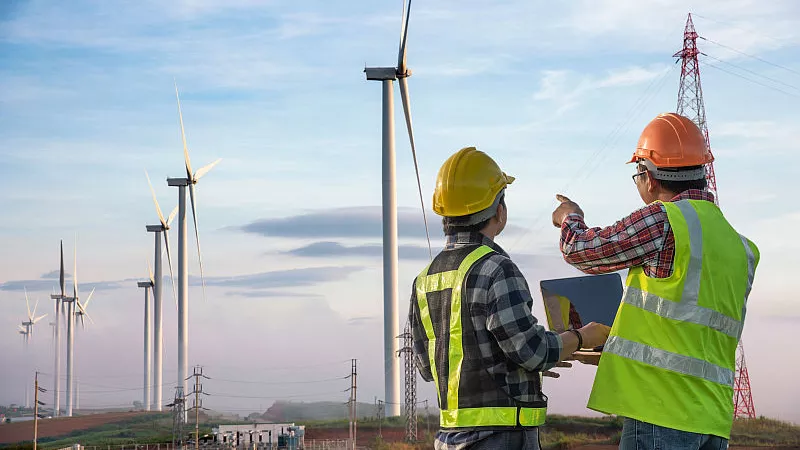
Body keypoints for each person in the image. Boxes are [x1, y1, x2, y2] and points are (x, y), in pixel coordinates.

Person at [551, 113, 759, 450]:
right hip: (713, 420)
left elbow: (581, 250)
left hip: (660, 411)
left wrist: (569, 216)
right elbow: (691, 331)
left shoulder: (664, 221)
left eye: (638, 175)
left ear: (649, 178)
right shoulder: (743, 249)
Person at [409, 146, 611, 450]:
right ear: (499, 210)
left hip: (450, 438)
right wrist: (582, 337)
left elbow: (430, 367)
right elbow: (530, 349)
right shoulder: (495, 268)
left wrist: (524, 364)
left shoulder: (425, 280)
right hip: (501, 437)